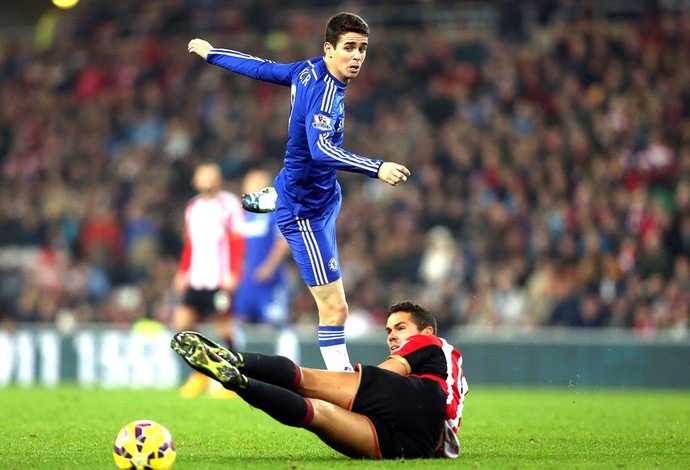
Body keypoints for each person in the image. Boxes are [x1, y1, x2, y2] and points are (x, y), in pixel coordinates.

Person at [187, 12, 411, 371]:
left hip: (325, 196)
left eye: (363, 49)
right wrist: (377, 167)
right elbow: (322, 150)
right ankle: (342, 384)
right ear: (329, 49)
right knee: (335, 309)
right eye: (349, 48)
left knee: (314, 186)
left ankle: (280, 192)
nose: (357, 56)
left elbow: (263, 68)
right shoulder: (324, 93)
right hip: (305, 213)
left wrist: (214, 54)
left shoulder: (309, 70)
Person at [170, 300, 468, 459]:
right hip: (420, 446)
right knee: (316, 414)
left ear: (426, 331)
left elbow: (388, 377)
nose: (392, 336)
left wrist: (346, 383)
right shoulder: (448, 367)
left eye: (400, 328)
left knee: (307, 380)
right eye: (389, 330)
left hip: (425, 402)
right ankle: (238, 382)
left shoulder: (431, 343)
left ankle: (234, 359)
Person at [172, 162, 245, 398]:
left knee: (223, 326)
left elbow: (237, 240)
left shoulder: (229, 204)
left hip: (219, 278)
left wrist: (233, 272)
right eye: (204, 176)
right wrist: (182, 271)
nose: (208, 180)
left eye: (212, 176)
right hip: (196, 278)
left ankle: (233, 375)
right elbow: (190, 243)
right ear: (196, 180)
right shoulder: (192, 207)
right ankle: (201, 373)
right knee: (182, 323)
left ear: (219, 179)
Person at [233, 168, 299, 361]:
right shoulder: (241, 215)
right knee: (236, 323)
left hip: (270, 281)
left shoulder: (275, 211)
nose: (252, 186)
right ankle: (233, 368)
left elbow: (283, 241)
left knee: (279, 325)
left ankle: (291, 370)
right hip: (245, 282)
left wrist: (269, 267)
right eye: (250, 182)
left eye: (257, 182)